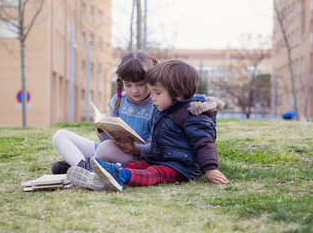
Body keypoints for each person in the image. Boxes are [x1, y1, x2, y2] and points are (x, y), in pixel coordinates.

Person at [89, 60, 229, 192]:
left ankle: (121, 175)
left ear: (178, 94)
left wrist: (211, 169)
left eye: (157, 93)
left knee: (154, 173)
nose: (152, 97)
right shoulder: (166, 112)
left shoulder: (193, 116)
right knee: (137, 165)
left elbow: (204, 143)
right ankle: (104, 175)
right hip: (160, 159)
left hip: (181, 166)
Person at [52, 50, 159, 190]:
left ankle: (80, 166)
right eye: (128, 85)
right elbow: (105, 139)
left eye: (140, 84)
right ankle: (87, 170)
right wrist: (102, 128)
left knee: (105, 149)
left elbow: (155, 146)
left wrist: (135, 148)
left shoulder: (156, 104)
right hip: (109, 148)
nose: (134, 91)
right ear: (122, 83)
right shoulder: (119, 100)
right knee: (60, 136)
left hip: (132, 155)